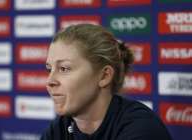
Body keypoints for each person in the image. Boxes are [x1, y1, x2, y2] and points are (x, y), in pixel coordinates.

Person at [41, 24, 172, 140]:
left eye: (64, 68)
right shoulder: (59, 128)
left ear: (104, 76)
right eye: (49, 69)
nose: (50, 81)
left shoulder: (141, 129)